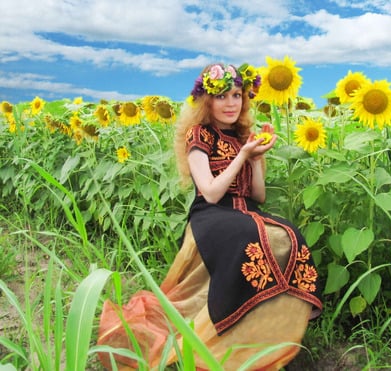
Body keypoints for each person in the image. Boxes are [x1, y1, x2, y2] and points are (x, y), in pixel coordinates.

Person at [97, 62, 322, 370]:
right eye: (222, 96)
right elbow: (212, 192)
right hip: (212, 214)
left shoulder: (244, 135)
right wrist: (242, 155)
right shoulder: (199, 135)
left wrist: (256, 158)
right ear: (207, 100)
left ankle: (272, 330)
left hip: (245, 211)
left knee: (290, 233)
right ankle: (231, 328)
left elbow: (258, 196)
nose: (231, 103)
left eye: (237, 95)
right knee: (249, 236)